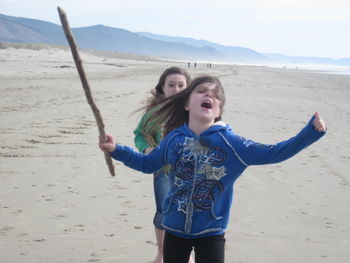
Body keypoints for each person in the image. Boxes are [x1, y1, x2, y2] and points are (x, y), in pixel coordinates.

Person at [100, 75, 327, 263]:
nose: (209, 94)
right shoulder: (174, 139)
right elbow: (147, 164)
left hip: (211, 232)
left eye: (215, 94)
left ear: (218, 110)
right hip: (174, 230)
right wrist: (116, 149)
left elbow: (275, 152)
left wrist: (310, 133)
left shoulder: (232, 144)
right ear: (187, 103)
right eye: (201, 90)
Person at [133, 67, 192, 263]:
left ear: (188, 88)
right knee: (163, 212)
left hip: (190, 172)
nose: (176, 89)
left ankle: (187, 254)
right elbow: (140, 134)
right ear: (162, 88)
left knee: (188, 210)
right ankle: (162, 253)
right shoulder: (155, 112)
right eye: (171, 85)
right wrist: (147, 149)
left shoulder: (193, 109)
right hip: (163, 171)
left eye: (181, 85)